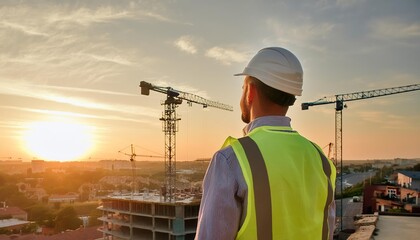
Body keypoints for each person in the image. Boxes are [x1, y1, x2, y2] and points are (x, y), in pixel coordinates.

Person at [195, 47, 336, 240]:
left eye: (243, 87)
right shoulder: (320, 159)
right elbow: (327, 228)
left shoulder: (231, 160)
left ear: (250, 91)